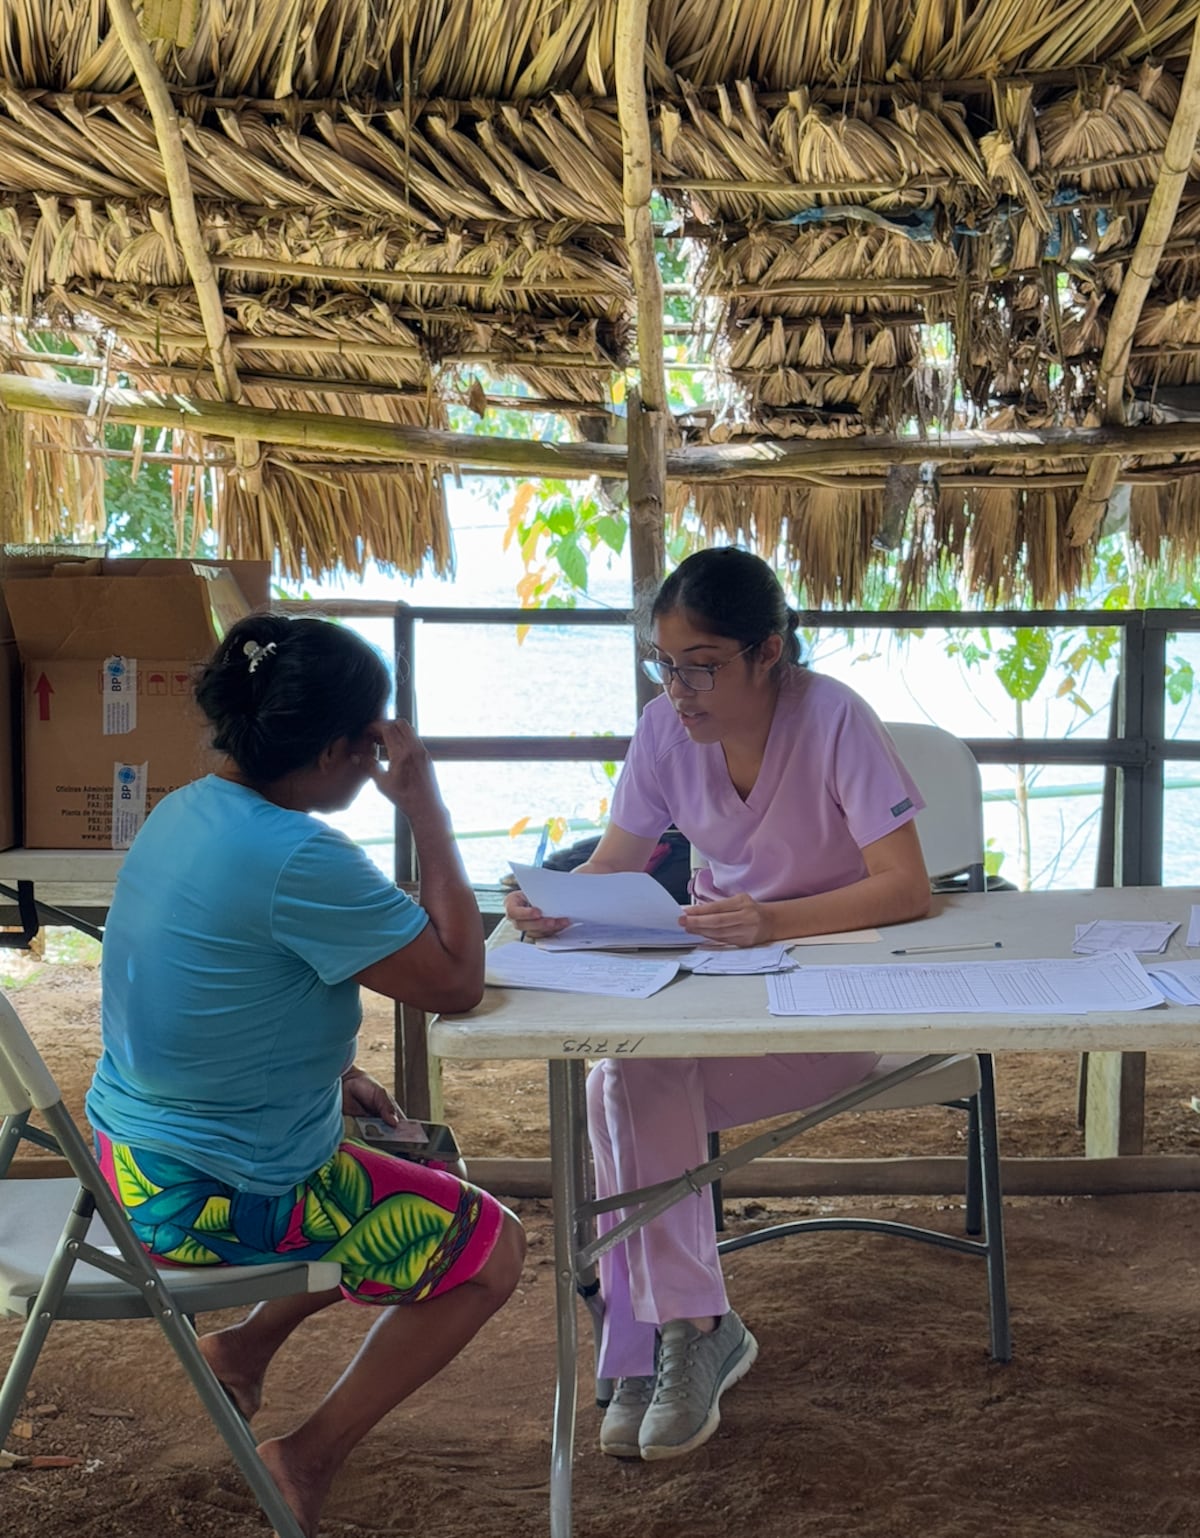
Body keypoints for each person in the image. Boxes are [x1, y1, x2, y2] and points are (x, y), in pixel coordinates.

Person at [87, 614, 525, 1538]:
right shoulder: (301, 855)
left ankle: (242, 1347)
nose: (374, 764)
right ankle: (306, 1455)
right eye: (370, 745)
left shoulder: (187, 810)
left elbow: (213, 991)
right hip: (206, 1194)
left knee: (416, 1171)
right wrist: (425, 807)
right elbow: (454, 980)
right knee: (492, 1251)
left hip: (126, 1156)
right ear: (334, 749)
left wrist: (331, 1076)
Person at [505, 547, 931, 1464]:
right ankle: (686, 1329)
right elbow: (616, 861)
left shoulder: (834, 718)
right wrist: (557, 898)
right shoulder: (665, 730)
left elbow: (905, 888)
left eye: (702, 665)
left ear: (767, 650)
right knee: (624, 1080)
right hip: (717, 988)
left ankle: (654, 1335)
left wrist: (771, 918)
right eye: (666, 664)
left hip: (836, 1005)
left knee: (622, 1087)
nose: (681, 689)